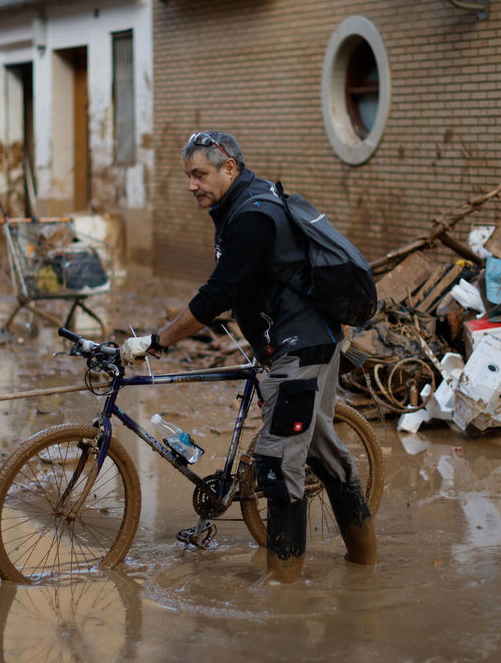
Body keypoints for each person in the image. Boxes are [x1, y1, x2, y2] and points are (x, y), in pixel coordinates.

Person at [120, 130, 379, 583]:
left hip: (299, 351)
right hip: (299, 345)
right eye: (187, 176)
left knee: (279, 466)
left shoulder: (253, 215)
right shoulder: (241, 205)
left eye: (199, 174)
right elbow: (238, 285)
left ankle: (282, 589)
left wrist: (158, 340)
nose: (191, 185)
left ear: (229, 168)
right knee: (324, 452)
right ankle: (364, 562)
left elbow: (217, 292)